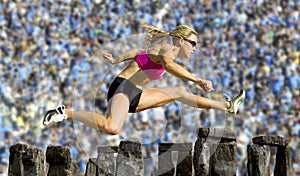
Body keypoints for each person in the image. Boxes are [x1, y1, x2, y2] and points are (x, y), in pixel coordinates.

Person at [42, 24, 245, 135]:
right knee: (112, 128)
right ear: (181, 40)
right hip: (123, 88)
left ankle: (227, 105)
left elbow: (138, 53)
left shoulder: (162, 48)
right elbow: (169, 66)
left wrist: (117, 58)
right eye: (193, 44)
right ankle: (65, 112)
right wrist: (198, 80)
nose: (194, 49)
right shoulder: (168, 49)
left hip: (136, 93)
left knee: (179, 94)